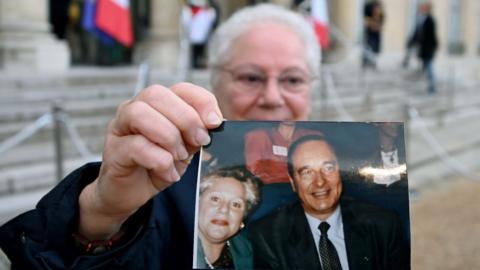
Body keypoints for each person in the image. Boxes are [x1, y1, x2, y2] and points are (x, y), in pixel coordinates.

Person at [0, 4, 320, 269]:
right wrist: (101, 217)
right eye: (251, 77)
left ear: (312, 88)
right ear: (214, 79)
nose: (272, 97)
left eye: (293, 79)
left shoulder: (338, 187)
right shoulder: (159, 178)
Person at [249, 134, 410, 270]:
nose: (320, 182)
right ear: (292, 182)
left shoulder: (384, 224)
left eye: (328, 168)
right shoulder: (268, 236)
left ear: (340, 172)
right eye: (307, 172)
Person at [244, 121, 322, 221]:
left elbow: (317, 166)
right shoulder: (258, 136)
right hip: (269, 188)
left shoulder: (312, 136)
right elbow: (254, 169)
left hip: (303, 189)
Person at [196, 166, 261, 269]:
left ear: (242, 219)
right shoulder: (171, 245)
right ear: (197, 203)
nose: (224, 210)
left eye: (236, 204)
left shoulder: (245, 251)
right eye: (215, 199)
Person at [403, 1, 438, 94]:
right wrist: (411, 42)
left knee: (429, 67)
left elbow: (432, 36)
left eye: (423, 7)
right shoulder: (420, 19)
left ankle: (432, 87)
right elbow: (416, 33)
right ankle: (428, 86)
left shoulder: (430, 20)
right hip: (422, 48)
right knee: (424, 67)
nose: (421, 9)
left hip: (428, 48)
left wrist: (434, 47)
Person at [362, 0, 384, 69]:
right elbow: (365, 17)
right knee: (368, 46)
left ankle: (373, 62)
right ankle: (365, 61)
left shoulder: (379, 5)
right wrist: (371, 24)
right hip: (369, 30)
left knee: (375, 47)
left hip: (377, 31)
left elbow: (382, 17)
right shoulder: (368, 6)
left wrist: (378, 25)